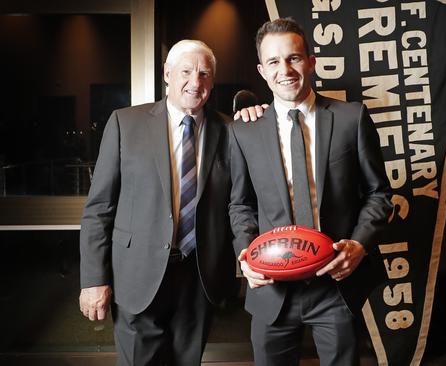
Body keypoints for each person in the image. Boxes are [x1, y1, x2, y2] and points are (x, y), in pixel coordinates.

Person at [229, 18, 393, 366]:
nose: (284, 70)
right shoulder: (244, 131)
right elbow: (240, 204)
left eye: (294, 58)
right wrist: (246, 253)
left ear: (311, 61)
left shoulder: (351, 118)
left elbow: (379, 194)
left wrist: (360, 244)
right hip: (271, 288)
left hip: (335, 282)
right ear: (261, 70)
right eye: (273, 61)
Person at [78, 39, 235, 365]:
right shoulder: (126, 123)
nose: (196, 82)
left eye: (204, 73)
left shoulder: (231, 131)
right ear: (167, 73)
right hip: (137, 276)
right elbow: (99, 209)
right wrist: (94, 279)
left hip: (199, 279)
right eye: (186, 71)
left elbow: (241, 202)